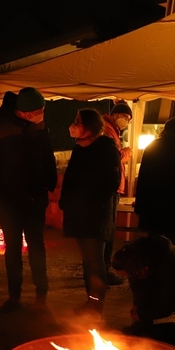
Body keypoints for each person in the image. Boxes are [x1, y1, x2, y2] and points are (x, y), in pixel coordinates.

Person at [0, 87, 57, 312]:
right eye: (39, 110)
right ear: (26, 111)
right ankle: (14, 296)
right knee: (13, 247)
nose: (42, 114)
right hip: (9, 201)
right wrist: (1, 199)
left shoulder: (38, 125)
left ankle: (41, 293)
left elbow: (47, 154)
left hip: (35, 197)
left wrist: (49, 183)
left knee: (36, 245)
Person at [59, 109, 121, 316]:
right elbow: (70, 179)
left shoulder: (106, 149)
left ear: (90, 127)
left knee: (95, 260)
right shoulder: (79, 149)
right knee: (87, 260)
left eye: (78, 121)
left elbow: (111, 183)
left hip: (95, 215)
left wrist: (89, 201)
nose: (74, 125)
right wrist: (67, 203)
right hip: (78, 214)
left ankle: (96, 304)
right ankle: (91, 301)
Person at [134, 117, 175, 246]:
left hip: (152, 206)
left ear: (165, 130)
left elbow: (142, 179)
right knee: (171, 248)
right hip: (174, 208)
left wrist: (139, 207)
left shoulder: (151, 149)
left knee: (153, 246)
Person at [101, 101, 134, 285]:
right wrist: (126, 153)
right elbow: (113, 156)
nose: (126, 121)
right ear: (116, 115)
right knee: (107, 229)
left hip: (112, 185)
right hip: (110, 186)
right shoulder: (107, 130)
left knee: (107, 228)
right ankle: (103, 270)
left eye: (128, 118)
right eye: (125, 117)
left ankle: (101, 269)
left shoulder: (112, 130)